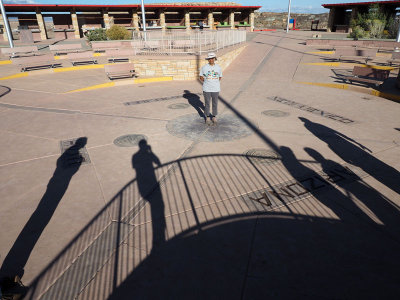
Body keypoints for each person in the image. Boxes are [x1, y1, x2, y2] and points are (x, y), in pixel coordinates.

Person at [199, 52, 222, 125]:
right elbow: (201, 76)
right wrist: (207, 81)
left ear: (214, 59)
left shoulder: (218, 67)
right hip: (207, 89)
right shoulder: (204, 67)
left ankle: (214, 117)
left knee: (215, 103)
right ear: (208, 60)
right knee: (207, 103)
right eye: (210, 59)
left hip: (216, 88)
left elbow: (220, 77)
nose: (211, 60)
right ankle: (208, 117)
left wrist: (214, 81)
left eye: (212, 58)